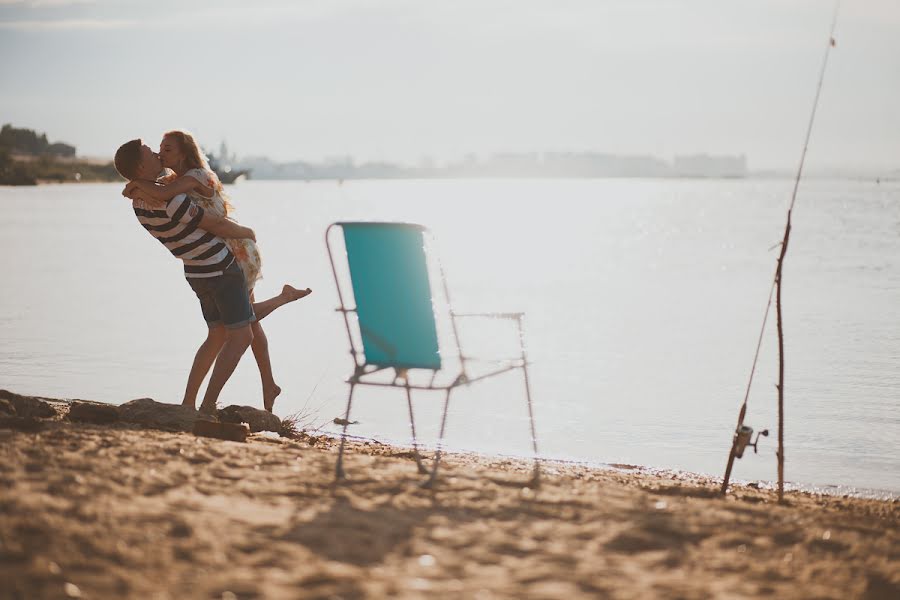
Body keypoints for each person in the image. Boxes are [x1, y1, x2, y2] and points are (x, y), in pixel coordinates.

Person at [114, 138, 310, 414]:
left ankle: (188, 403)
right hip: (219, 267)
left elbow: (157, 194)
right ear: (140, 165)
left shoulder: (139, 202)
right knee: (241, 335)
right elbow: (214, 224)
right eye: (150, 152)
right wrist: (247, 232)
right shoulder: (173, 200)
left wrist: (139, 184)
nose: (157, 153)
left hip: (195, 272)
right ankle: (207, 405)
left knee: (217, 335)